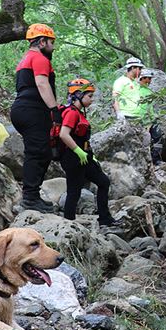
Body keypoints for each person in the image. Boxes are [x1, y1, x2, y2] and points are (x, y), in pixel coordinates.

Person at [10, 23, 60, 213]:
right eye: (51, 42)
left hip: (24, 109)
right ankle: (29, 198)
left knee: (44, 151)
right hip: (32, 110)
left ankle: (33, 195)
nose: (52, 47)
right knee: (36, 152)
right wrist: (54, 109)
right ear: (41, 42)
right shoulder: (39, 58)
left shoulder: (25, 59)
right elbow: (41, 83)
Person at [56, 78, 118, 227]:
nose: (91, 100)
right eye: (89, 96)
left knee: (103, 182)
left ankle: (105, 219)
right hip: (73, 157)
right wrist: (78, 151)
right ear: (78, 95)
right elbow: (64, 134)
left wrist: (90, 155)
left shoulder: (78, 112)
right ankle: (68, 224)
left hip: (84, 157)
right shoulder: (71, 113)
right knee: (74, 191)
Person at [136, 69, 162, 164]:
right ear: (143, 78)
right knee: (144, 141)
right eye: (149, 78)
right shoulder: (138, 90)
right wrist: (145, 121)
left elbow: (149, 107)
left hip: (151, 119)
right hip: (143, 121)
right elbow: (142, 108)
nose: (150, 81)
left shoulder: (148, 90)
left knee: (158, 137)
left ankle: (156, 159)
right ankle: (147, 161)